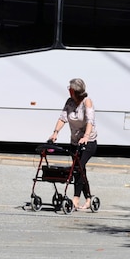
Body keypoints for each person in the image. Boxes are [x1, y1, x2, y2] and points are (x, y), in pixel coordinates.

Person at [48, 77, 97, 210]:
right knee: (81, 171)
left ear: (74, 91)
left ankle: (75, 199)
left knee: (77, 169)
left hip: (88, 143)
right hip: (75, 143)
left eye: (70, 89)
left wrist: (86, 136)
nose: (68, 91)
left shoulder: (87, 102)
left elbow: (90, 121)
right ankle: (88, 198)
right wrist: (55, 132)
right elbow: (62, 118)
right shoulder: (69, 102)